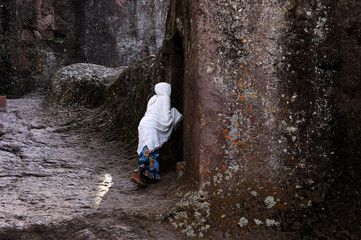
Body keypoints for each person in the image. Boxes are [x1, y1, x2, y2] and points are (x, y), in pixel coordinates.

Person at [131, 82, 182, 188]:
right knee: (148, 149)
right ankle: (137, 174)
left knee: (149, 149)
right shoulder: (165, 98)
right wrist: (174, 118)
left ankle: (147, 176)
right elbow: (166, 116)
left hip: (144, 123)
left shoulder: (153, 98)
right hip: (152, 126)